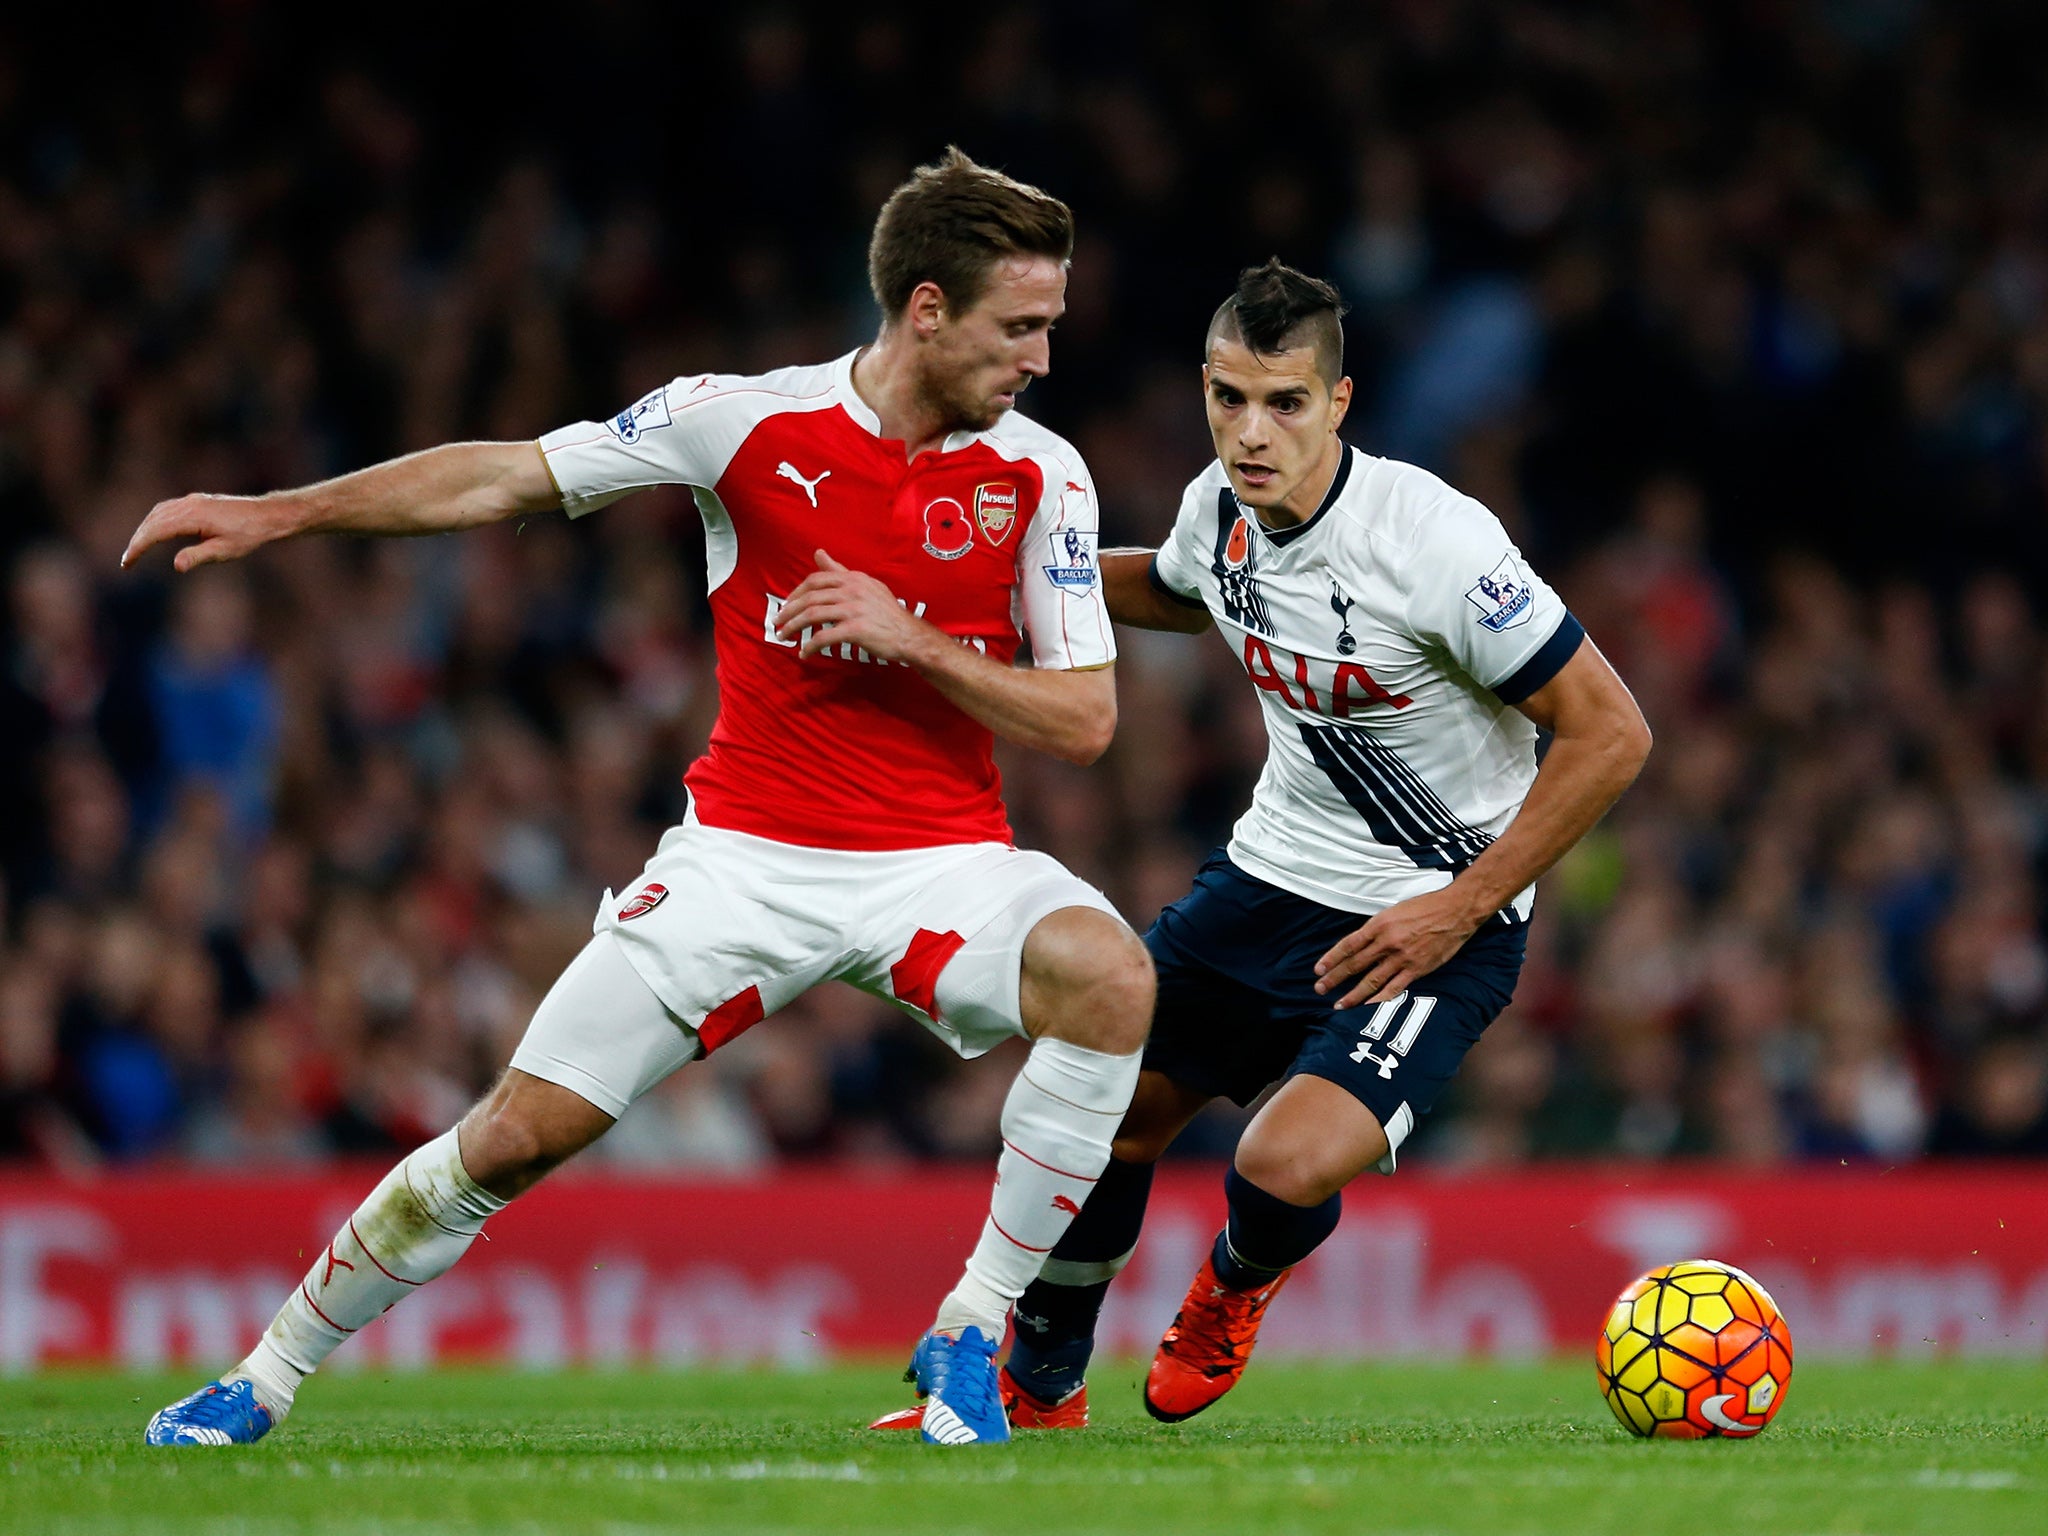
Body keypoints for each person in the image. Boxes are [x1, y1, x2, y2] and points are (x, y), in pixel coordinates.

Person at [128, 148, 1153, 1450]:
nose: (1044, 358)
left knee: (1112, 981)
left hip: (941, 862)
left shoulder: (1042, 476)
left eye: (1051, 326)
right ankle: (260, 1379)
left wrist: (918, 641)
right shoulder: (741, 420)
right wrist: (284, 512)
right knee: (514, 1136)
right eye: (1023, 326)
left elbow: (1088, 719)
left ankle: (967, 1329)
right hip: (740, 861)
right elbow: (503, 475)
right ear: (930, 308)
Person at [884, 259, 1650, 1431]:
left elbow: (1609, 733)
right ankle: (1038, 1384)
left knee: (1280, 1164)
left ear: (1336, 405)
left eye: (1284, 402)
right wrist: (1008, 576)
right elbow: (1189, 592)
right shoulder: (1218, 505)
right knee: (1102, 1115)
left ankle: (1233, 1288)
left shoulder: (1433, 541)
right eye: (1228, 398)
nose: (1251, 433)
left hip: (1431, 916)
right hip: (1262, 883)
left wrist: (1458, 909)